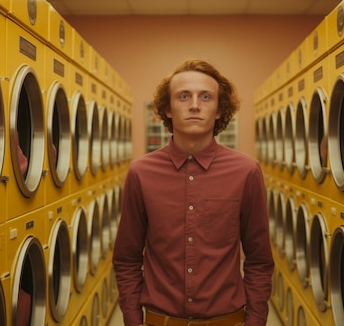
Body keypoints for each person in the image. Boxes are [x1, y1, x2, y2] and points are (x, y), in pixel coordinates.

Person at [113, 59, 274, 326]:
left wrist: (255, 321)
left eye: (206, 97)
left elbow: (259, 260)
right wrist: (132, 320)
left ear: (220, 110)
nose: (195, 105)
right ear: (167, 108)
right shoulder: (141, 173)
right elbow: (126, 258)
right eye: (184, 96)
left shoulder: (246, 171)